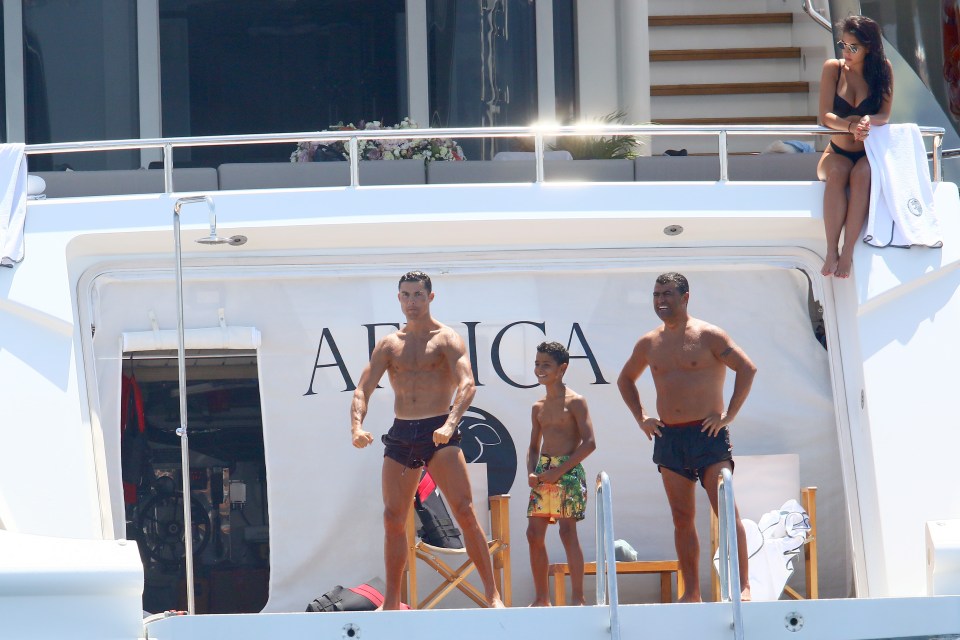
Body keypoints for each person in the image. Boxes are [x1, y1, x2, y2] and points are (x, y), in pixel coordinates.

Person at [350, 271, 505, 610]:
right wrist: (356, 427)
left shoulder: (447, 339)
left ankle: (492, 594)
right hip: (403, 433)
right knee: (393, 517)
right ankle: (391, 602)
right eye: (405, 295)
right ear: (399, 299)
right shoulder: (390, 344)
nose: (412, 302)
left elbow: (468, 384)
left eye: (418, 295)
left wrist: (451, 424)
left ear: (431, 297)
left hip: (439, 428)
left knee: (465, 511)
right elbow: (362, 388)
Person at [617, 273, 756, 602]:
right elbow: (625, 380)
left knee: (725, 511)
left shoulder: (709, 335)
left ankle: (743, 585)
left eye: (667, 294)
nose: (660, 300)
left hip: (707, 436)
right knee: (682, 518)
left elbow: (747, 368)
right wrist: (642, 418)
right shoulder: (649, 342)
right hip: (670, 437)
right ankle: (691, 591)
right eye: (655, 294)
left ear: (685, 297)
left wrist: (729, 414)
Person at [817, 15, 894, 278]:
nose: (846, 52)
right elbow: (825, 116)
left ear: (869, 47)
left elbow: (885, 114)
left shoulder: (883, 69)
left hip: (867, 153)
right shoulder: (833, 68)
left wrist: (867, 119)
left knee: (862, 175)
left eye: (853, 48)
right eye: (843, 45)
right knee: (838, 173)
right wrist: (850, 127)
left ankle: (847, 252)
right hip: (836, 151)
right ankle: (831, 251)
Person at [526, 341, 597, 606]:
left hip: (568, 471)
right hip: (545, 472)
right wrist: (533, 473)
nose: (540, 369)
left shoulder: (576, 401)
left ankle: (578, 597)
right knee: (533, 534)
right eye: (537, 364)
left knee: (568, 533)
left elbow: (590, 443)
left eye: (546, 365)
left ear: (562, 368)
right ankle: (542, 598)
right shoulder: (538, 406)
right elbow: (533, 447)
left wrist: (560, 471)